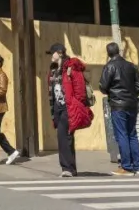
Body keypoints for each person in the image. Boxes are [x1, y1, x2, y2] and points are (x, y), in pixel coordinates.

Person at [46, 43, 93, 178]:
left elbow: (80, 89)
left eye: (53, 53)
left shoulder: (71, 68)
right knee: (65, 137)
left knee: (64, 136)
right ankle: (70, 169)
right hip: (58, 108)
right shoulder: (53, 70)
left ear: (60, 53)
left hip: (68, 107)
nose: (51, 55)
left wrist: (74, 103)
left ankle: (67, 168)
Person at [99, 42, 139, 176]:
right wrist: (132, 95)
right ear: (119, 51)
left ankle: (126, 166)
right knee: (132, 134)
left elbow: (103, 86)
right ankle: (138, 166)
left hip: (118, 104)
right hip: (131, 104)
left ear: (108, 53)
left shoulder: (109, 66)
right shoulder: (131, 66)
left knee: (122, 135)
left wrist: (112, 93)